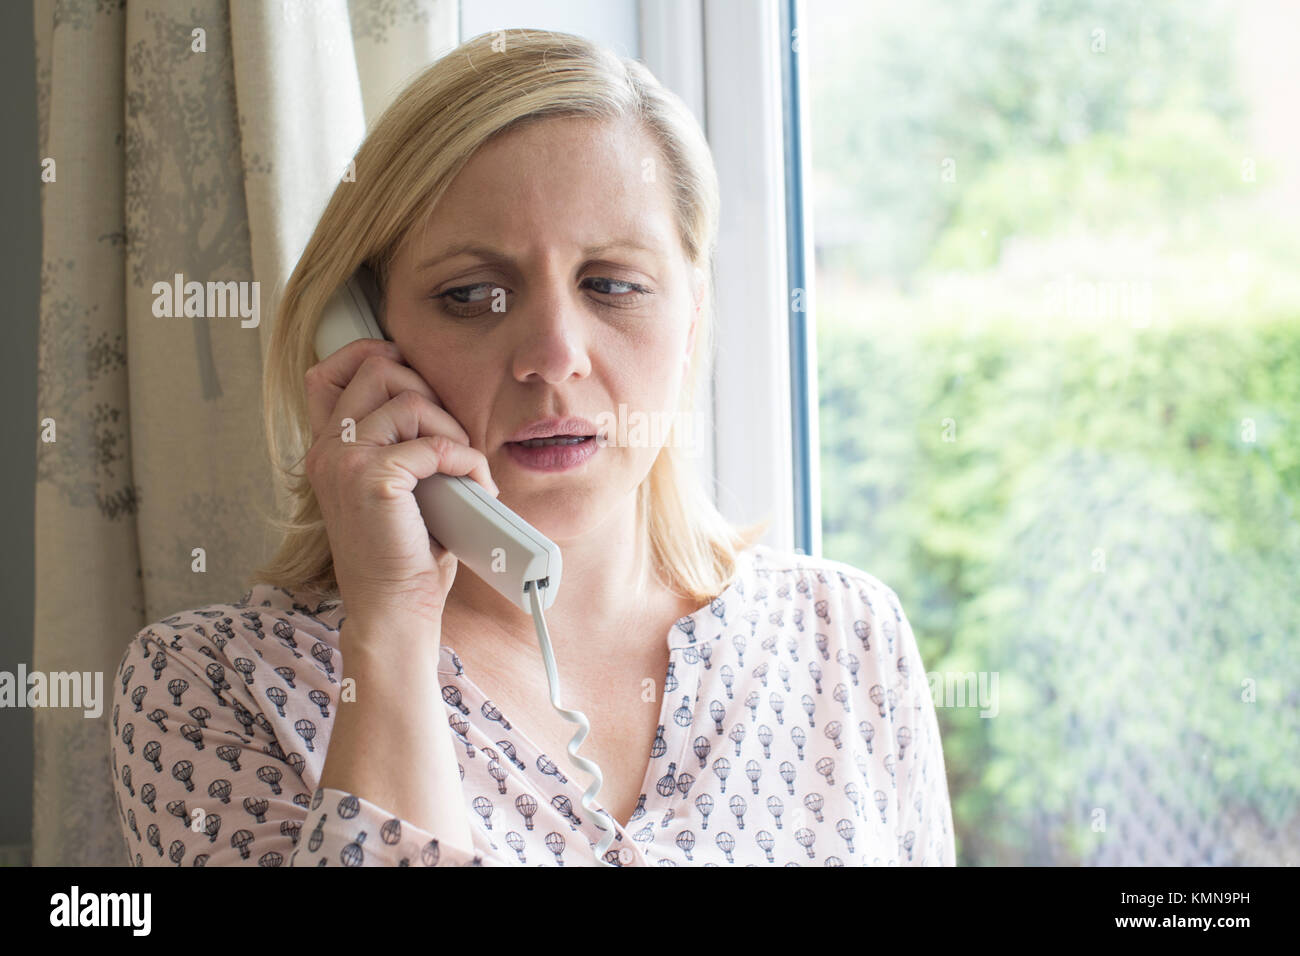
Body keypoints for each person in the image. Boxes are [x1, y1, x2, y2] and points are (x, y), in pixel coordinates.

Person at [108, 29, 955, 867]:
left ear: (690, 317)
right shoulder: (206, 688)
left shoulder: (844, 635)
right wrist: (393, 627)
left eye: (613, 286)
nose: (553, 355)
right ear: (363, 337)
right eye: (473, 295)